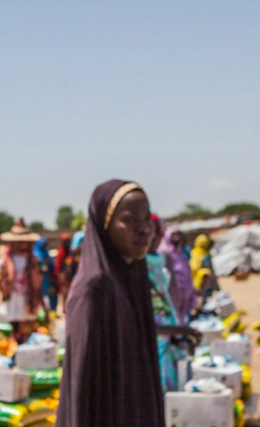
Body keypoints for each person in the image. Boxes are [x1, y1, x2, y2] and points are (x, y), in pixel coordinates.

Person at [57, 180, 164, 427]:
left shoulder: (133, 278)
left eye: (146, 218)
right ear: (105, 227)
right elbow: (81, 389)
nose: (144, 229)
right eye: (130, 220)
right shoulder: (93, 290)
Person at [147, 214, 200, 392]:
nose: (151, 238)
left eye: (156, 232)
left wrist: (178, 333)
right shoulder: (136, 271)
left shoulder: (159, 265)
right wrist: (181, 331)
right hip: (149, 347)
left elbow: (166, 301)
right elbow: (145, 325)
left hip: (166, 338)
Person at [0, 219, 43, 342]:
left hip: (28, 294)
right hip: (13, 294)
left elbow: (36, 279)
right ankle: (15, 341)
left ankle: (27, 341)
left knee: (28, 318)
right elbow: (4, 277)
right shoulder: (8, 259)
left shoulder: (32, 259)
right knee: (14, 319)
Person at [161, 228, 197, 324]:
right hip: (174, 288)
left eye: (178, 235)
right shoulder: (165, 252)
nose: (176, 237)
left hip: (185, 287)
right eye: (173, 235)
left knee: (184, 312)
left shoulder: (183, 252)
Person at [190, 234, 218, 306]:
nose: (204, 245)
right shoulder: (194, 254)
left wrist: (216, 285)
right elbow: (193, 268)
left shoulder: (207, 254)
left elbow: (211, 269)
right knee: (199, 300)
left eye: (205, 243)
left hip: (208, 282)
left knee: (209, 300)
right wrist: (202, 272)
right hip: (199, 282)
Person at [33, 237, 58, 313]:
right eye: (43, 244)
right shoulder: (36, 253)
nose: (45, 245)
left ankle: (52, 311)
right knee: (43, 295)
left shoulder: (46, 253)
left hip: (49, 277)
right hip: (41, 278)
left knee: (52, 293)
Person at [54, 233, 73, 305]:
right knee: (65, 292)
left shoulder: (69, 252)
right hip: (63, 275)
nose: (68, 243)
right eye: (66, 241)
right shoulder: (61, 252)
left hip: (69, 275)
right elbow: (58, 266)